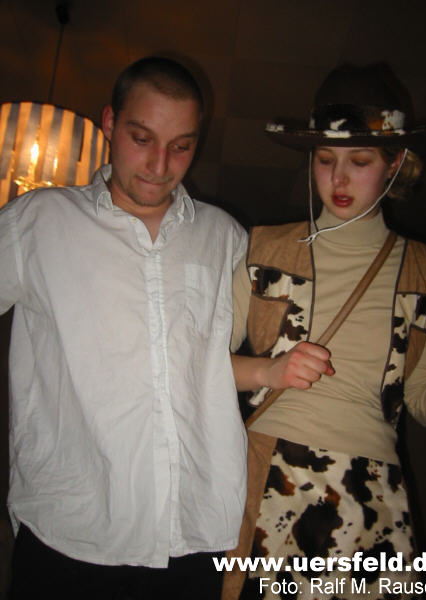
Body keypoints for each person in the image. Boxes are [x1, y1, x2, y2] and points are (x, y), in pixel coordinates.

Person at [0, 56, 248, 599]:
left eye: (181, 146)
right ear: (110, 123)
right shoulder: (38, 221)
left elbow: (226, 364)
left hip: (191, 538)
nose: (160, 164)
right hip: (72, 531)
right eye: (142, 138)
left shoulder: (225, 236)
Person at [224, 63, 426, 599]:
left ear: (395, 163)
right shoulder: (262, 250)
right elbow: (198, 364)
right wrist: (269, 370)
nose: (338, 178)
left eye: (360, 161)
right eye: (325, 160)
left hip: (374, 492)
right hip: (268, 470)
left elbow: (422, 397)